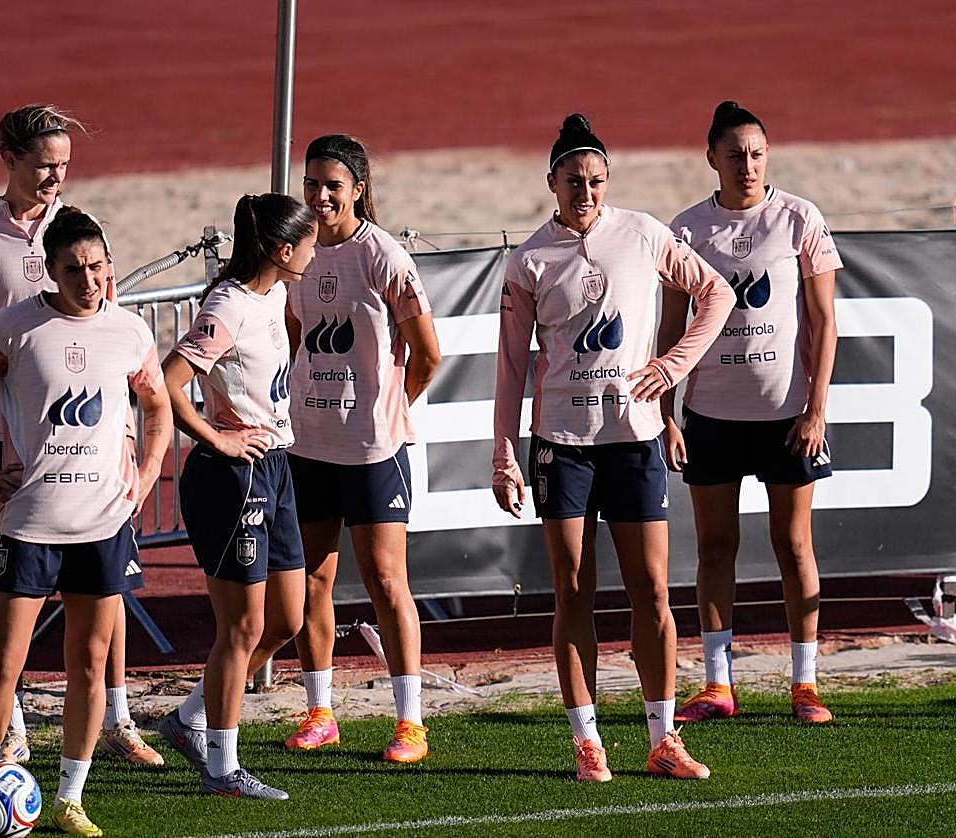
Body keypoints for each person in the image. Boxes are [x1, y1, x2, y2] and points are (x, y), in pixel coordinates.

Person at [0, 105, 162, 838]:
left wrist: (142, 464)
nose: (56, 172)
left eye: (64, 160)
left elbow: (138, 378)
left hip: (97, 482)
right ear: (8, 157)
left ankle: (89, 762)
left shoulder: (94, 260)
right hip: (13, 465)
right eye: (43, 161)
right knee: (6, 649)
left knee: (95, 646)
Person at [492, 114, 734, 782]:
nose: (587, 191)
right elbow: (511, 366)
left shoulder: (644, 232)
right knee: (573, 591)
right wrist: (503, 451)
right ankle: (587, 742)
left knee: (651, 590)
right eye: (574, 180)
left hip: (634, 442)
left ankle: (663, 739)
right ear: (552, 182)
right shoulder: (530, 260)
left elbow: (716, 293)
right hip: (561, 447)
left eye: (597, 179)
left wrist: (673, 364)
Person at [660, 100, 843, 725]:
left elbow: (823, 322)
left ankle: (805, 684)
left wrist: (816, 409)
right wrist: (667, 415)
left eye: (757, 153)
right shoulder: (685, 230)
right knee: (715, 545)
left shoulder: (798, 219)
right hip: (710, 413)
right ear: (711, 158)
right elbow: (669, 331)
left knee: (793, 544)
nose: (747, 165)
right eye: (734, 154)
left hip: (789, 415)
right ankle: (717, 684)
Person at [281, 134, 440, 764]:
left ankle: (410, 723)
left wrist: (393, 406)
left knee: (385, 581)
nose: (320, 197)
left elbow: (427, 355)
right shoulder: (296, 253)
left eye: (332, 186)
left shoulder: (384, 258)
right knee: (313, 583)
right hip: (308, 446)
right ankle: (321, 711)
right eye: (312, 184)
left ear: (359, 190)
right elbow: (294, 338)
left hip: (374, 449)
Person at [157, 193, 317, 799]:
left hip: (275, 468)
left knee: (286, 619)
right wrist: (218, 440)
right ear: (282, 250)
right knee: (242, 627)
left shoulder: (277, 293)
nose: (314, 248)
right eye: (306, 242)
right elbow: (167, 383)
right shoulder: (226, 305)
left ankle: (189, 718)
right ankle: (222, 769)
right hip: (234, 477)